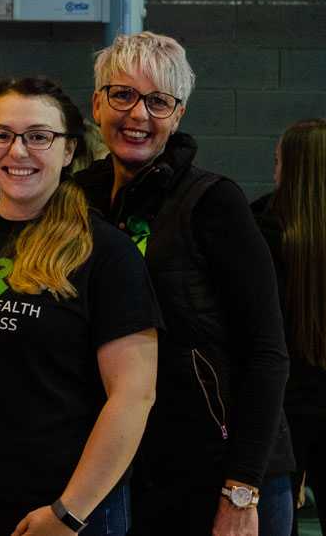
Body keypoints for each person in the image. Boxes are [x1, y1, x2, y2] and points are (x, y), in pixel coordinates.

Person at [0, 77, 161, 536]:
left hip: (55, 514)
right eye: (0, 135)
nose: (17, 152)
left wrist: (70, 511)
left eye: (39, 137)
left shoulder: (107, 253)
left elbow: (134, 395)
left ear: (69, 150)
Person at [74, 31, 294, 536]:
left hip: (223, 473)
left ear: (178, 115)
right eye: (123, 95)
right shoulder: (75, 200)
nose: (138, 115)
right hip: (130, 470)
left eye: (158, 102)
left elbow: (267, 351)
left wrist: (241, 489)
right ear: (97, 102)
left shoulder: (214, 202)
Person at [254, 119, 326, 535]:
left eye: (278, 161)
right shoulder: (262, 225)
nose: (274, 171)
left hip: (283, 405)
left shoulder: (261, 227)